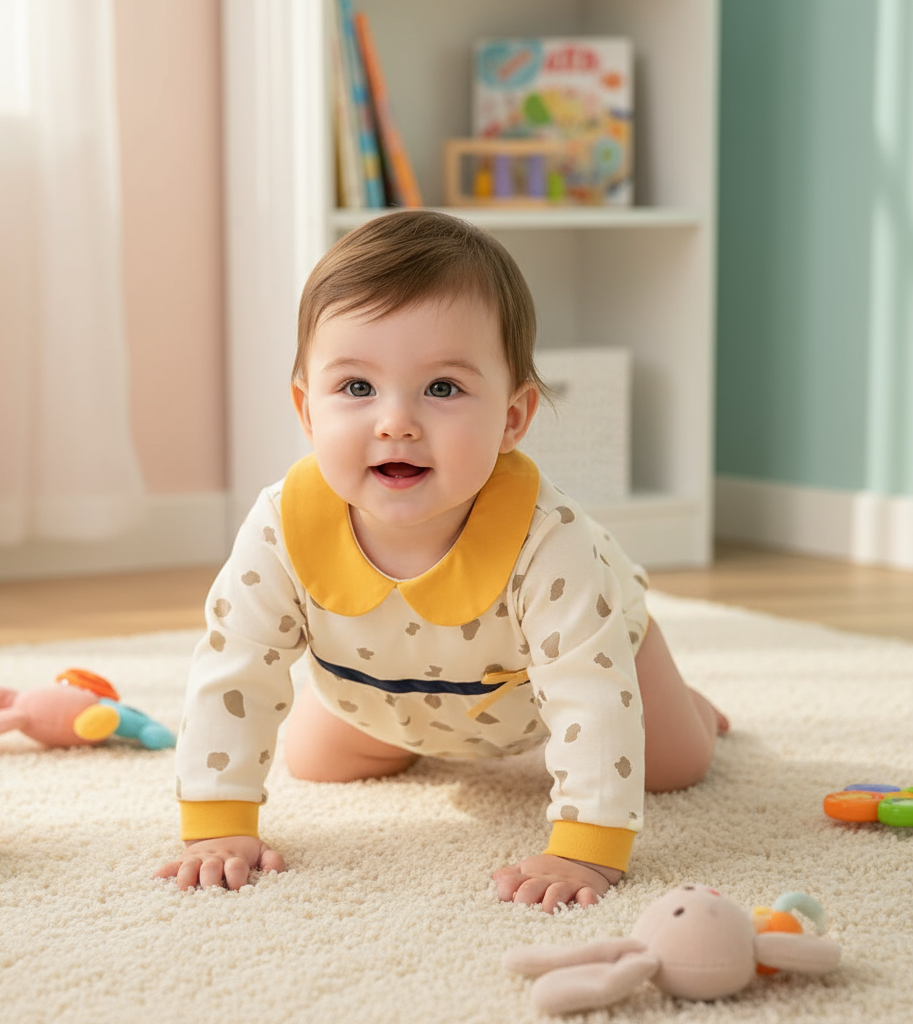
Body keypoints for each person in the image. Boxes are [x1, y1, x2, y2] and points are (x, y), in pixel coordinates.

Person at [154, 210, 728, 912]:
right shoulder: (283, 525)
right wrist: (217, 825)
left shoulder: (550, 541)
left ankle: (684, 700)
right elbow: (232, 668)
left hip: (565, 677)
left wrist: (584, 850)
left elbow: (591, 696)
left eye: (443, 388)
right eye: (358, 389)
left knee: (675, 766)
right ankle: (402, 730)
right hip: (376, 687)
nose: (396, 421)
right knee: (319, 764)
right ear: (308, 411)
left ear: (513, 418)